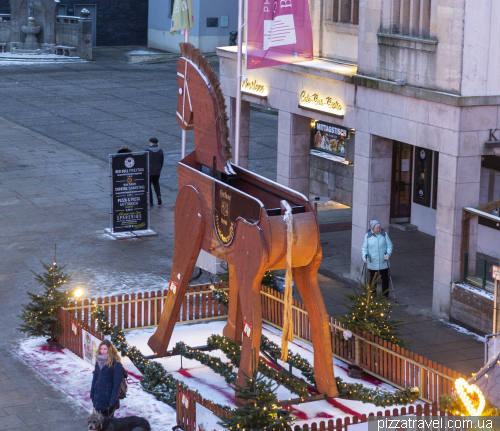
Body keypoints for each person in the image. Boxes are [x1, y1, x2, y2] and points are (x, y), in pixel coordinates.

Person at [90, 340, 123, 418]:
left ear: (110, 350)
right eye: (101, 349)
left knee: (108, 425)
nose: (102, 351)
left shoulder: (116, 364)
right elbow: (95, 379)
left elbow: (116, 385)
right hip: (98, 399)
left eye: (105, 349)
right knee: (98, 424)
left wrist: (112, 401)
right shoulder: (98, 362)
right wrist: (92, 394)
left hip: (108, 400)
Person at [361, 220, 393, 298]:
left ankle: (385, 294)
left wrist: (388, 253)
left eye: (379, 228)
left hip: (383, 260)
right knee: (372, 279)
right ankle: (372, 295)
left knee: (385, 279)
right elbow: (364, 248)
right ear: (373, 228)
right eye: (377, 228)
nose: (379, 229)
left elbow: (390, 245)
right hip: (372, 261)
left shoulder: (384, 234)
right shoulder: (368, 236)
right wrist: (364, 256)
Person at [147, 137, 164, 206]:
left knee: (149, 186)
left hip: (149, 171)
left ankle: (151, 201)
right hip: (157, 171)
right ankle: (159, 196)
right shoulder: (160, 151)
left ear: (150, 143)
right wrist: (159, 168)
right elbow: (162, 161)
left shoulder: (147, 151)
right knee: (156, 183)